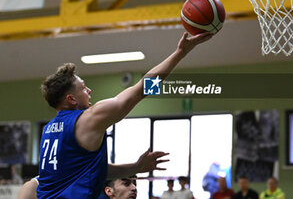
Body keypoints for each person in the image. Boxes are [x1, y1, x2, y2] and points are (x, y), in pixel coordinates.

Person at [37, 32, 212, 199]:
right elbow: (142, 89)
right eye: (83, 87)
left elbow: (94, 170)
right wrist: (180, 53)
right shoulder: (87, 120)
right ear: (71, 99)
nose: (89, 90)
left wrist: (135, 167)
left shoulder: (49, 130)